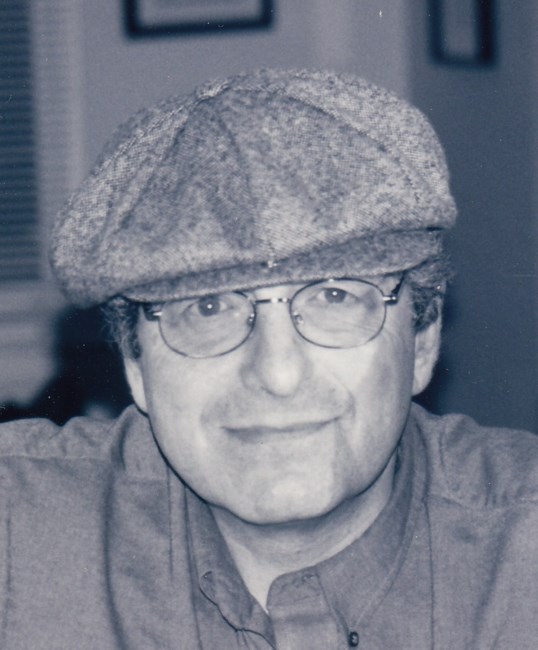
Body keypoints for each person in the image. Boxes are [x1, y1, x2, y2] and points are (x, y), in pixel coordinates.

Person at [1, 69, 537, 649]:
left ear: (423, 338)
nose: (279, 374)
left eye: (336, 296)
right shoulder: (18, 539)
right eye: (208, 308)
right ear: (135, 363)